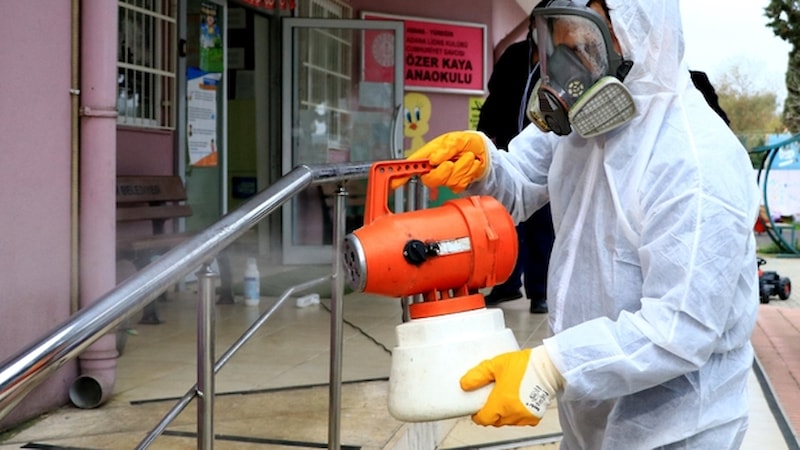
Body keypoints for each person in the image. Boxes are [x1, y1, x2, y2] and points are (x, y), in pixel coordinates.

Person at [392, 0, 760, 447]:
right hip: (590, 414)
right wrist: (484, 164)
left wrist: (552, 366)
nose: (571, 68)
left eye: (585, 45)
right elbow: (519, 185)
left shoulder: (696, 163)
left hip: (678, 429)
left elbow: (680, 329)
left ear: (645, 36)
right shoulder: (583, 123)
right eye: (559, 46)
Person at [477, 11, 554, 314]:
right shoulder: (514, 56)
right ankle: (506, 285)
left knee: (541, 229)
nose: (540, 31)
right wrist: (483, 136)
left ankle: (540, 292)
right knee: (507, 225)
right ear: (532, 26)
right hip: (508, 149)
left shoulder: (558, 63)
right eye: (537, 25)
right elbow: (494, 98)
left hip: (544, 154)